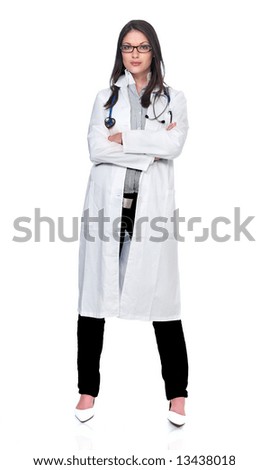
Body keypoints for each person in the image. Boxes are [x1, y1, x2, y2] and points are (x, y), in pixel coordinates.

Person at [75, 19, 189, 427]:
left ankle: (177, 395)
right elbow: (94, 147)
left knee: (163, 299)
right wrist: (148, 148)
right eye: (127, 47)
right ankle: (87, 390)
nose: (135, 54)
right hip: (109, 207)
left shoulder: (172, 97)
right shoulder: (105, 97)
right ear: (120, 53)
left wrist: (123, 141)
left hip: (151, 209)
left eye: (142, 47)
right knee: (92, 298)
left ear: (153, 52)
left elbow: (174, 144)